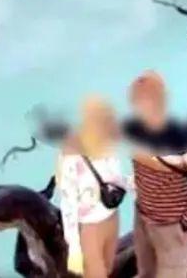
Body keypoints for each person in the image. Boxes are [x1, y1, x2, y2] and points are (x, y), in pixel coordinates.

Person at [124, 70, 187, 278]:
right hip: (143, 220)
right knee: (145, 273)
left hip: (172, 227)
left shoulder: (182, 138)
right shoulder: (136, 132)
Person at [57, 95, 130, 277]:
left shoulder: (108, 149)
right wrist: (74, 246)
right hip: (89, 226)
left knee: (107, 269)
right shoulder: (72, 155)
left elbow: (116, 181)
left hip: (112, 217)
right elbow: (68, 202)